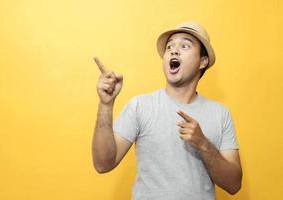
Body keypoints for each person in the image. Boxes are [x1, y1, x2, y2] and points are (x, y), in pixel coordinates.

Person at [92, 21, 242, 200]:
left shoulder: (220, 114)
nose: (174, 50)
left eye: (185, 45)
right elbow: (103, 164)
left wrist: (203, 143)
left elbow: (234, 184)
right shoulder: (140, 106)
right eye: (170, 46)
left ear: (203, 61)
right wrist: (106, 105)